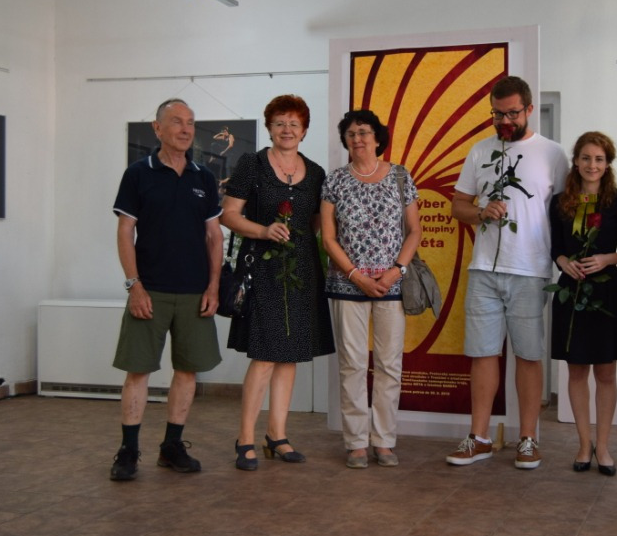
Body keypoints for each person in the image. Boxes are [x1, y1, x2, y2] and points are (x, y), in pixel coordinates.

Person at [445, 76, 569, 469]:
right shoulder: (480, 150)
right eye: (497, 114)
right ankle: (479, 437)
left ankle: (528, 439)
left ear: (529, 109)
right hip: (484, 268)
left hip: (531, 270)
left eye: (512, 113)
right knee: (482, 354)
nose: (504, 121)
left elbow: (565, 214)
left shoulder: (553, 154)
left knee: (528, 356)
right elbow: (458, 206)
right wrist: (481, 212)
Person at [109, 98, 223, 481]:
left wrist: (213, 286)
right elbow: (125, 231)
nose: (186, 129)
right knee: (138, 371)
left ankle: (172, 446)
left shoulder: (204, 177)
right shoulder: (138, 174)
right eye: (176, 121)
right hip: (150, 290)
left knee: (187, 371)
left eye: (190, 122)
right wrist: (134, 285)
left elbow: (214, 236)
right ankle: (128, 451)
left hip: (195, 292)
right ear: (157, 129)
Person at [221, 95, 335, 471]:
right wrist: (264, 230)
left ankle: (277, 435)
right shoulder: (251, 164)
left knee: (290, 356)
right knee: (265, 355)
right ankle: (245, 439)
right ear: (269, 128)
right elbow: (228, 215)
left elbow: (316, 224)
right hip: (263, 269)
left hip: (301, 272)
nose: (287, 129)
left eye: (294, 124)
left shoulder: (315, 172)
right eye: (280, 122)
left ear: (304, 130)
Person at [321, 109, 421, 469]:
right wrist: (355, 275)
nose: (357, 139)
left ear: (378, 138)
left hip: (391, 285)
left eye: (364, 132)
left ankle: (384, 440)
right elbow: (328, 238)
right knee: (352, 364)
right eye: (351, 134)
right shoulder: (335, 180)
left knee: (389, 364)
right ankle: (356, 443)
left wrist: (396, 271)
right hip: (347, 285)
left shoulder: (400, 176)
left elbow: (414, 231)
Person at [549, 132, 617, 476]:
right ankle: (583, 444)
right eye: (586, 158)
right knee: (576, 370)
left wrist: (606, 259)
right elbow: (555, 247)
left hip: (606, 292)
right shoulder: (560, 201)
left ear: (607, 164)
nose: (592, 165)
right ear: (576, 161)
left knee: (606, 372)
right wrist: (563, 263)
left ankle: (603, 446)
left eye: (599, 159)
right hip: (571, 291)